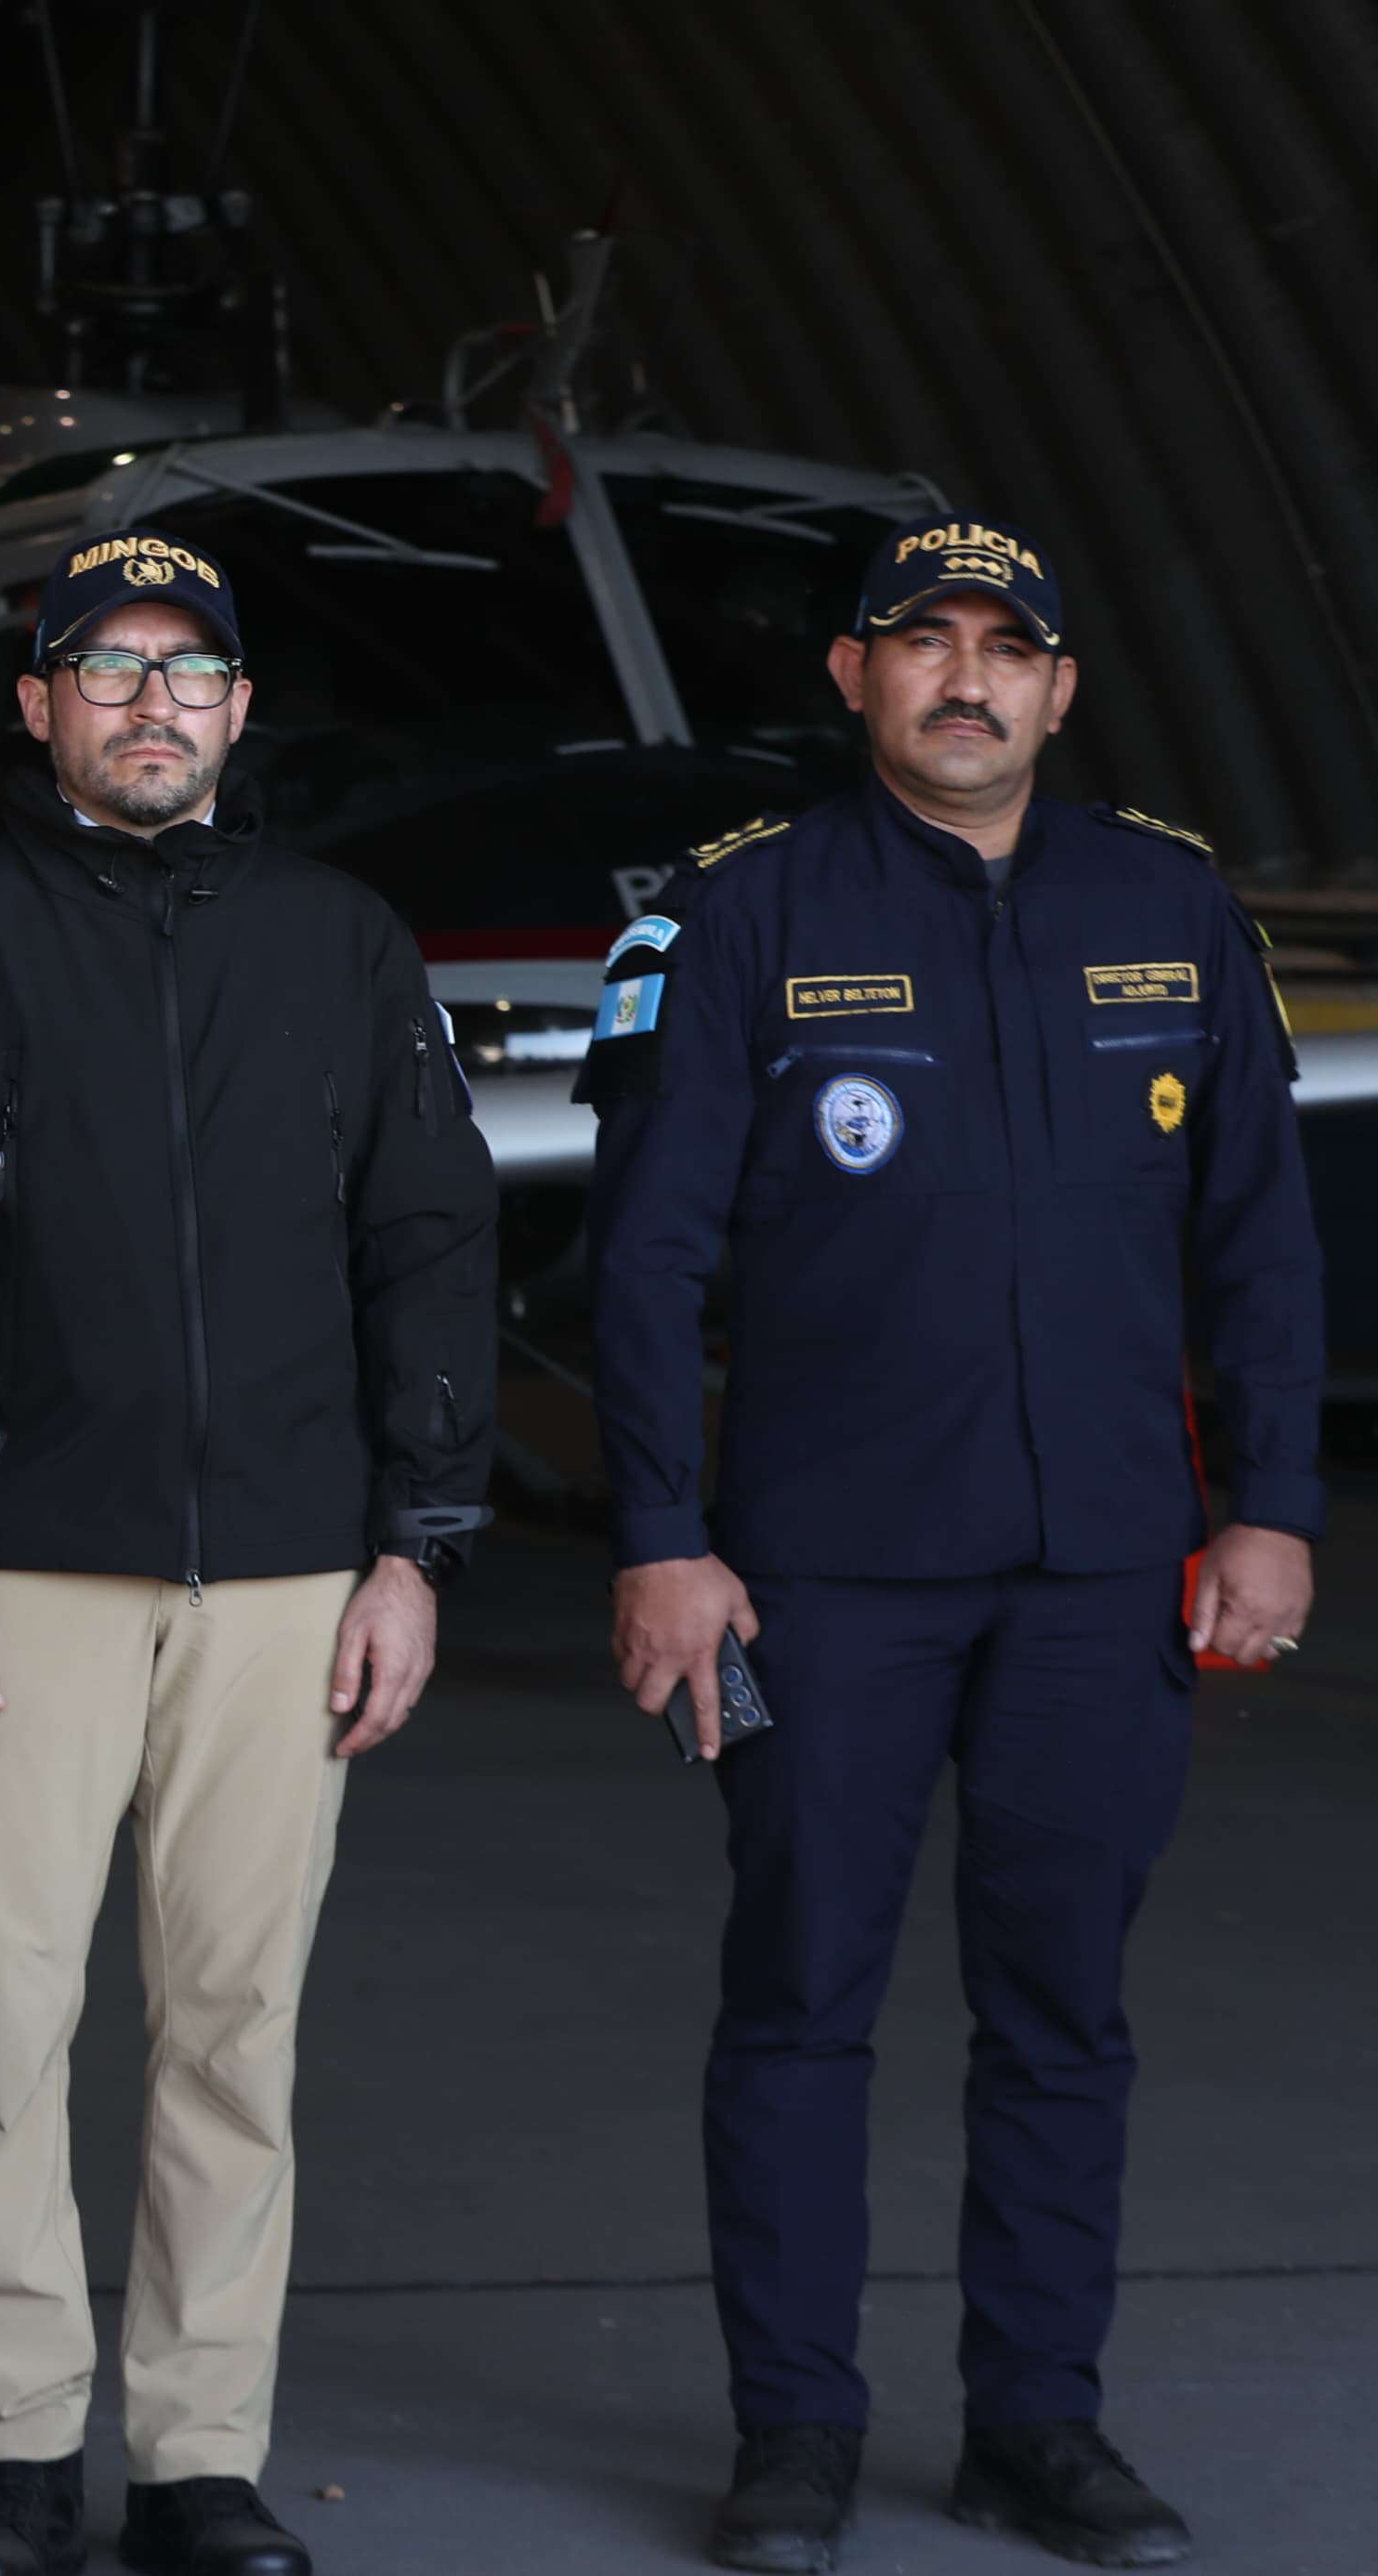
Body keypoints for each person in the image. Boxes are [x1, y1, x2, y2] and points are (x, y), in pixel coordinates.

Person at [582, 516, 1322, 2574]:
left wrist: (1268, 1503)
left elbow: (1258, 1237)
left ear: (1061, 689)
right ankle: (795, 2436)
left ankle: (1036, 2423)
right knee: (799, 2000)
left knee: (1063, 2010)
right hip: (821, 1569)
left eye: (1009, 647)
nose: (967, 677)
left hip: (1102, 1568)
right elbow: (643, 1256)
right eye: (924, 644)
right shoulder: (740, 914)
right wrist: (661, 1532)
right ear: (851, 677)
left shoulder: (1167, 905)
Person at [0, 529, 498, 2576]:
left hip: (288, 1576)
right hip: (14, 1569)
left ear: (241, 708)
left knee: (231, 2029)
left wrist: (412, 1548)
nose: (152, 705)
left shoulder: (344, 944)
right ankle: (15, 2450)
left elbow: (428, 1246)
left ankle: (200, 2458)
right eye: (107, 668)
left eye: (192, 672)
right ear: (38, 708)